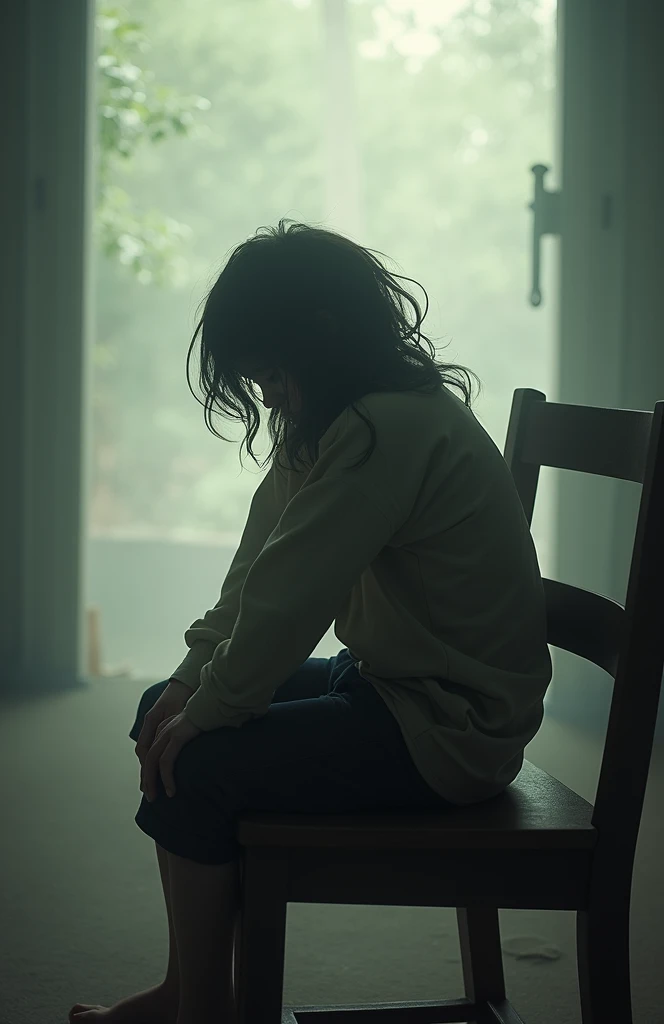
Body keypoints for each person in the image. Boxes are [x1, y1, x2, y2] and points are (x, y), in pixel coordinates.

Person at [69, 220, 552, 1024]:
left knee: (201, 760)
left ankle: (201, 1009)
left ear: (321, 338)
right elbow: (259, 570)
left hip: (450, 729)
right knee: (162, 705)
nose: (263, 393)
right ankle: (192, 989)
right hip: (398, 690)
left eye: (270, 373)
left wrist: (212, 710)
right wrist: (192, 679)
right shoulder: (335, 425)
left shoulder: (383, 430)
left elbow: (294, 602)